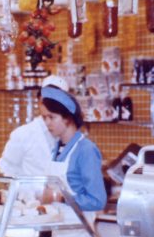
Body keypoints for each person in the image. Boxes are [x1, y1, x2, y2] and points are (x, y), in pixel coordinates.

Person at [39, 85, 107, 218]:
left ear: (67, 118)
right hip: (57, 230)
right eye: (44, 118)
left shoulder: (86, 150)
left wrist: (62, 198)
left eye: (51, 117)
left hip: (78, 234)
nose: (47, 123)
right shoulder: (56, 150)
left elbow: (97, 201)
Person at [0, 75, 69, 176]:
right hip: (30, 192)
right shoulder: (22, 135)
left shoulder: (70, 136)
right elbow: (5, 170)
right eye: (47, 100)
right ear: (39, 101)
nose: (52, 105)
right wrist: (31, 189)